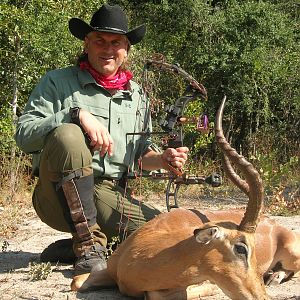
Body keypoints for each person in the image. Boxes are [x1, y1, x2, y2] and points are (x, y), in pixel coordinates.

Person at [15, 4, 188, 275]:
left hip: (107, 193)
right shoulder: (56, 82)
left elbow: (140, 153)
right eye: (100, 40)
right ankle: (87, 246)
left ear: (126, 49)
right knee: (69, 132)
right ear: (87, 43)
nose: (108, 49)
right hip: (56, 195)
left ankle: (90, 245)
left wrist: (163, 159)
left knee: (165, 233)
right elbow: (24, 137)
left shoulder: (137, 95)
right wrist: (76, 113)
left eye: (116, 42)